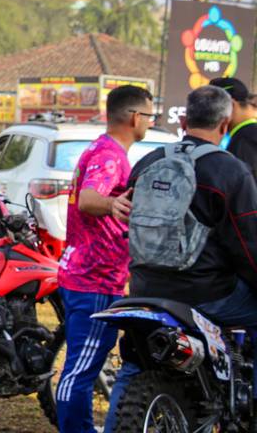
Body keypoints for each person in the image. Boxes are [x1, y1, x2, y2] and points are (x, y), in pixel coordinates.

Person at [105, 85, 257, 431]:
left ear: (184, 120)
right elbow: (248, 246)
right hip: (208, 295)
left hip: (145, 291)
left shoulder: (148, 163)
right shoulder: (230, 172)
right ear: (225, 123)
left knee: (134, 365)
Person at [55, 85, 155, 433]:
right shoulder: (110, 154)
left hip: (89, 275)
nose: (150, 122)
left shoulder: (102, 148)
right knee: (79, 371)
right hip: (93, 278)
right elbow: (88, 199)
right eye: (150, 116)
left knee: (82, 367)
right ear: (135, 117)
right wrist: (113, 204)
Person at [211, 77, 257, 179]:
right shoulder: (247, 134)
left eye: (213, 108)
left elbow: (248, 185)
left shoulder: (245, 139)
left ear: (231, 104)